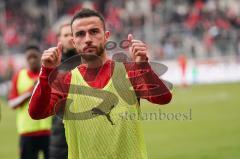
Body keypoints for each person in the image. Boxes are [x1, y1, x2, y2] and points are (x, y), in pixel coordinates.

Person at [29, 9, 172, 159]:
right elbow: (36, 113)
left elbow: (163, 98)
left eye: (94, 31)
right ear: (73, 42)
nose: (88, 39)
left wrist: (143, 66)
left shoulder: (129, 72)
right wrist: (46, 71)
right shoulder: (65, 81)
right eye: (80, 34)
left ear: (106, 36)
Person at [8, 45, 51, 159]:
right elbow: (12, 103)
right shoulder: (19, 76)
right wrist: (29, 92)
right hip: (27, 132)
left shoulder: (49, 74)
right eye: (29, 57)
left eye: (34, 56)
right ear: (26, 59)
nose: (32, 60)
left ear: (40, 57)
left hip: (49, 131)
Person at [49, 23, 78, 159]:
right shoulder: (52, 66)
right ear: (59, 39)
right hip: (60, 131)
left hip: (87, 128)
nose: (70, 38)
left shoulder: (90, 63)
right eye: (66, 35)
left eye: (73, 34)